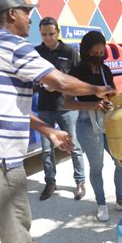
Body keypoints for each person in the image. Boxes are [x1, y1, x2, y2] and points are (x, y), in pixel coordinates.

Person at [0, 0, 115, 243]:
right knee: (9, 219)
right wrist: (96, 89)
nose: (30, 19)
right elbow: (58, 81)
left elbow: (8, 106)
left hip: (4, 149)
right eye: (26, 12)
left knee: (20, 209)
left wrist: (48, 130)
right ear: (11, 15)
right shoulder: (13, 46)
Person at [64, 31, 122, 222]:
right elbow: (67, 103)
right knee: (97, 167)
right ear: (86, 51)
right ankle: (101, 204)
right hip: (86, 121)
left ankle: (121, 199)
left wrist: (111, 102)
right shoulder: (76, 72)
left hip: (108, 120)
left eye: (102, 54)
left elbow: (112, 94)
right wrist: (93, 104)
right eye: (95, 53)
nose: (99, 57)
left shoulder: (105, 70)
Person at [35, 17, 86, 201]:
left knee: (73, 146)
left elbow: (79, 79)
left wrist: (61, 87)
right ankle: (50, 182)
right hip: (44, 108)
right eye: (44, 34)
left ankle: (80, 182)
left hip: (67, 108)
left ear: (58, 32)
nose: (48, 38)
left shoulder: (69, 51)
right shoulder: (36, 52)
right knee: (47, 149)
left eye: (51, 34)